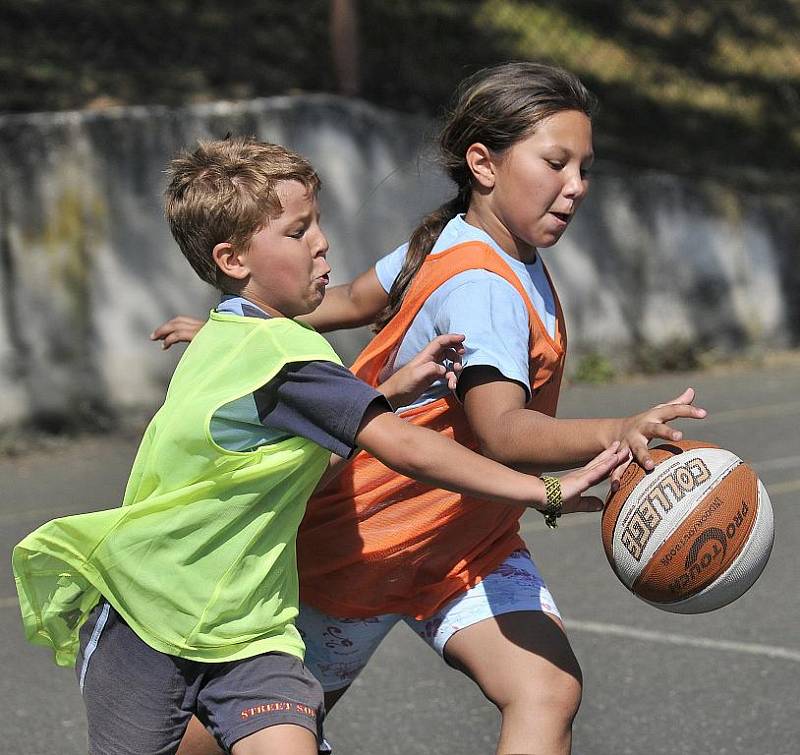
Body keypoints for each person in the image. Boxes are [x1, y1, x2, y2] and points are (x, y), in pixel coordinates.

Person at [154, 64, 707, 755]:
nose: (577, 186)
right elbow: (502, 429)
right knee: (235, 731)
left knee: (546, 689)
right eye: (556, 163)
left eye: (585, 168)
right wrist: (617, 431)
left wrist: (236, 322)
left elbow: (352, 297)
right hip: (367, 543)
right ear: (484, 162)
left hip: (466, 545)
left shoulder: (454, 240)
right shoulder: (482, 285)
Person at [12, 136, 627, 755]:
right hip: (151, 618)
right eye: (298, 231)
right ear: (233, 259)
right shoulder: (282, 356)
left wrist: (382, 388)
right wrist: (541, 488)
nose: (322, 242)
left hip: (253, 630)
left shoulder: (245, 342)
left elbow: (316, 440)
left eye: (317, 224)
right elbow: (403, 447)